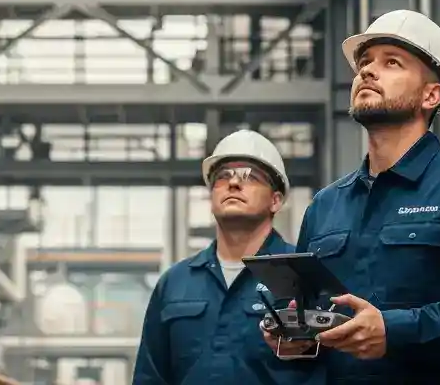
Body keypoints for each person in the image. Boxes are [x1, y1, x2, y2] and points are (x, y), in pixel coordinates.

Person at [267, 10, 440, 384]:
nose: (367, 71)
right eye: (364, 62)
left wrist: (395, 331)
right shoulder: (325, 206)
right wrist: (295, 336)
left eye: (391, 62)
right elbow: (313, 325)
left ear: (431, 95)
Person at [133, 130, 318, 385]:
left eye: (250, 176)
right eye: (222, 176)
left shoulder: (303, 273)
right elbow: (150, 377)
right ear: (211, 197)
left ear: (275, 200)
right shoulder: (175, 283)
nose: (233, 183)